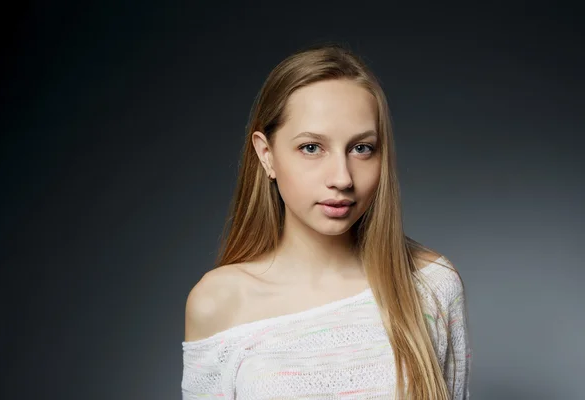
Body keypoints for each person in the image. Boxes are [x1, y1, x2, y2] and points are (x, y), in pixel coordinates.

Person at [181, 42, 471, 399]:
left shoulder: (432, 285)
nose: (342, 177)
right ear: (266, 155)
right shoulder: (218, 301)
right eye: (312, 148)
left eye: (361, 148)